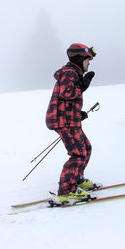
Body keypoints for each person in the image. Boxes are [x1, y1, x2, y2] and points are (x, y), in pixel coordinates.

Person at [46, 43, 100, 205]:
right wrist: (82, 86)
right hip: (63, 121)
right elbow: (67, 92)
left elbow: (66, 99)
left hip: (68, 119)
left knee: (86, 147)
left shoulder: (73, 72)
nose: (89, 63)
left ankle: (77, 178)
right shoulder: (70, 73)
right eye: (87, 59)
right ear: (79, 58)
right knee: (78, 154)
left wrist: (78, 114)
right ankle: (66, 191)